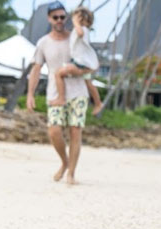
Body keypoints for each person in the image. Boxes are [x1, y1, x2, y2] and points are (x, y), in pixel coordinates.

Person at [26, 1, 94, 185]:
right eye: (55, 17)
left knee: (75, 132)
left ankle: (71, 173)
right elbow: (36, 69)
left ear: (67, 18)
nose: (59, 20)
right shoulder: (43, 43)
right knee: (54, 131)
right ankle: (64, 162)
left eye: (62, 17)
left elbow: (90, 64)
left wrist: (79, 71)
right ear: (49, 19)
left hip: (78, 92)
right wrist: (30, 94)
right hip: (55, 94)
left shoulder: (76, 38)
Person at [49, 6, 103, 116]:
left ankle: (61, 98)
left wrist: (76, 22)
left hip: (80, 63)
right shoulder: (81, 30)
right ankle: (98, 103)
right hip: (82, 63)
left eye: (76, 17)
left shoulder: (82, 30)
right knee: (89, 83)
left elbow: (80, 33)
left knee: (58, 74)